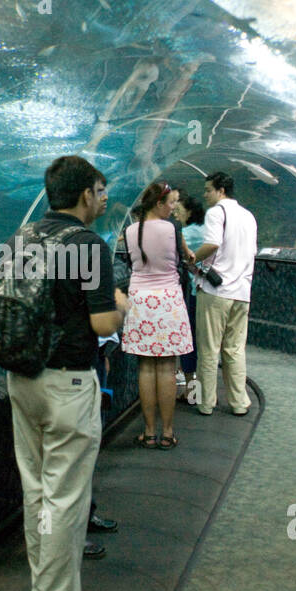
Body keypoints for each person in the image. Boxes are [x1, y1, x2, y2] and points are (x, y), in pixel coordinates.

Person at [6, 155, 127, 591]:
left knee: (36, 492)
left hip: (22, 378)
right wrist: (122, 306)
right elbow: (101, 325)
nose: (102, 200)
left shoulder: (23, 237)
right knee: (66, 500)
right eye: (99, 192)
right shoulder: (88, 246)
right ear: (83, 195)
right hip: (68, 385)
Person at [121, 181, 194, 449]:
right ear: (159, 203)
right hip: (169, 302)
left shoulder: (130, 230)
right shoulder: (173, 229)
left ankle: (149, 432)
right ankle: (168, 433)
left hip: (140, 301)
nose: (174, 208)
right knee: (166, 367)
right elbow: (186, 257)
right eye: (171, 202)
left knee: (145, 367)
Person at [192, 172, 258, 416]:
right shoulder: (249, 216)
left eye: (208, 190)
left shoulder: (216, 212)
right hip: (242, 292)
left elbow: (212, 244)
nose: (205, 194)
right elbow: (251, 252)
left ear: (221, 191)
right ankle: (239, 403)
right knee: (235, 349)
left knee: (209, 349)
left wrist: (192, 257)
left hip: (216, 292)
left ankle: (206, 402)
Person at [171, 193, 206, 396]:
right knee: (204, 345)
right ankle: (200, 393)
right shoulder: (205, 229)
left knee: (190, 340)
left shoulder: (189, 233)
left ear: (189, 212)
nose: (175, 215)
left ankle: (193, 393)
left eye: (178, 211)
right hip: (210, 292)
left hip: (196, 291)